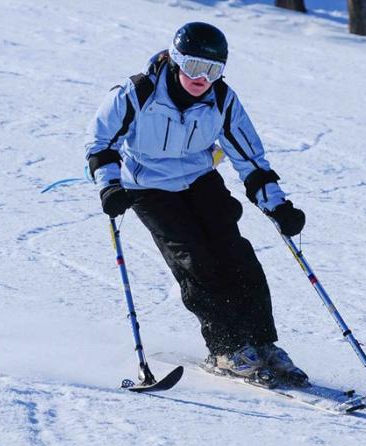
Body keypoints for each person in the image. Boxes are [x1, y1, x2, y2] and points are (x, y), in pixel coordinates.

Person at [85, 22, 308, 387]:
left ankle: (262, 343)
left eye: (212, 70)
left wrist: (276, 205)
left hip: (200, 180)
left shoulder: (221, 99)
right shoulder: (137, 93)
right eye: (193, 67)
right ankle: (227, 347)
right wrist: (109, 187)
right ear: (175, 60)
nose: (202, 78)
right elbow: (100, 144)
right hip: (149, 188)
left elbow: (249, 157)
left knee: (237, 255)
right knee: (195, 260)